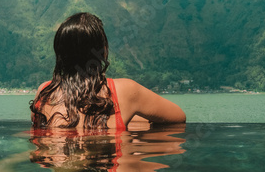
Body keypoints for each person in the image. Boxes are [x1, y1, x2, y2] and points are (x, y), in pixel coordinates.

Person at [30, 12, 186, 130]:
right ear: (103, 51)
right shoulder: (126, 91)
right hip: (112, 169)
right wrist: (130, 116)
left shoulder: (44, 92)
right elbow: (178, 117)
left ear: (59, 54)